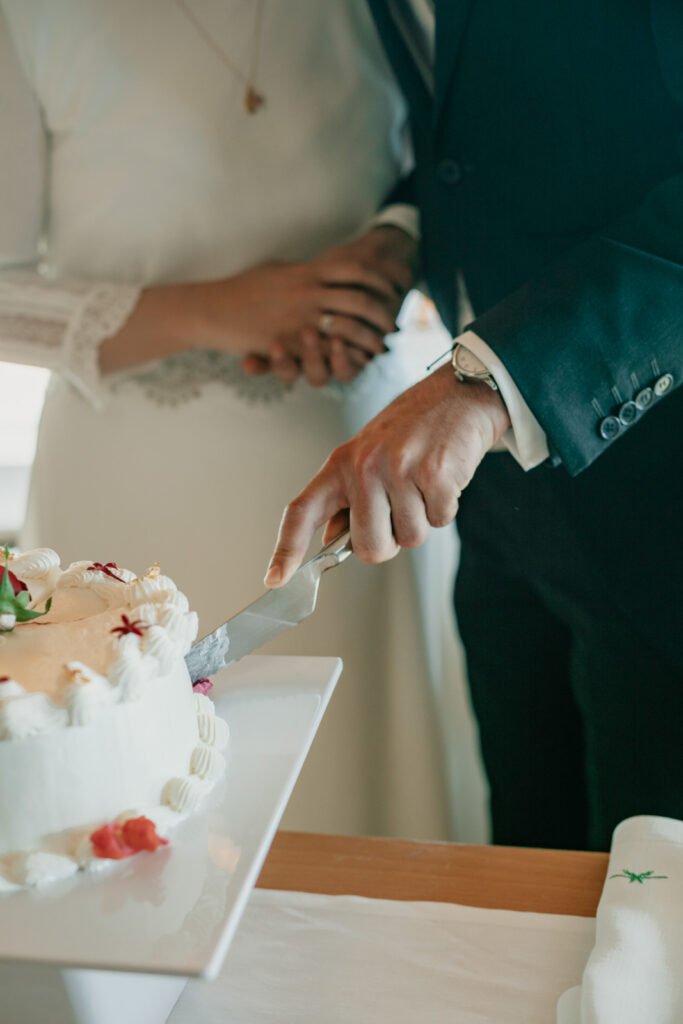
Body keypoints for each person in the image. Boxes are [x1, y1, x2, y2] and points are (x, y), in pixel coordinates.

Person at [0, 0, 485, 841]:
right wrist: (223, 311)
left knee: (371, 794)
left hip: (356, 459)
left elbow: (456, 165)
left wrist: (386, 260)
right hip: (132, 475)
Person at [265, 0, 683, 852]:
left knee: (652, 936)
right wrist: (404, 233)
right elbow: (477, 129)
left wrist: (493, 379)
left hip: (660, 511)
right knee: (524, 891)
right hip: (497, 515)